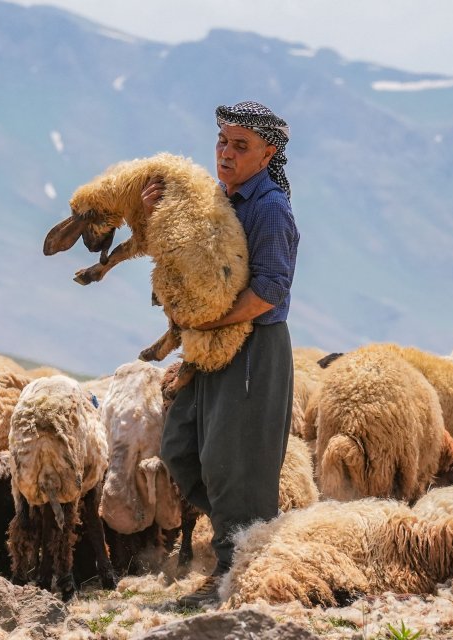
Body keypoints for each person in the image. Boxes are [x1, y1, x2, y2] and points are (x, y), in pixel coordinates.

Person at [152, 101, 300, 608]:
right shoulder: (221, 202)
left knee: (237, 464)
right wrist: (157, 209)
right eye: (222, 142)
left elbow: (270, 292)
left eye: (241, 146)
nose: (226, 154)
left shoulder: (269, 209)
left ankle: (236, 572)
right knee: (181, 446)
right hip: (210, 347)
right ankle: (236, 548)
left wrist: (204, 321)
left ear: (268, 152)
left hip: (254, 347)